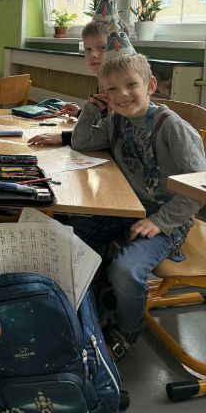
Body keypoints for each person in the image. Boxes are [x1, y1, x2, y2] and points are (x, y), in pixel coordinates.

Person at [69, 20, 205, 360]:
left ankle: (126, 330)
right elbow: (82, 143)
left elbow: (199, 186)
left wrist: (161, 222)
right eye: (111, 90)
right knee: (73, 231)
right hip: (127, 207)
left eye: (131, 85)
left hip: (169, 218)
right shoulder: (116, 119)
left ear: (151, 85)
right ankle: (92, 300)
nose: (122, 95)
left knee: (127, 270)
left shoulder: (171, 127)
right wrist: (92, 107)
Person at [28, 0, 123, 147]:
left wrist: (65, 137)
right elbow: (104, 122)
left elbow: (108, 135)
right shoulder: (102, 82)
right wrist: (80, 113)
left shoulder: (120, 90)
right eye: (88, 49)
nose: (93, 55)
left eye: (102, 47)